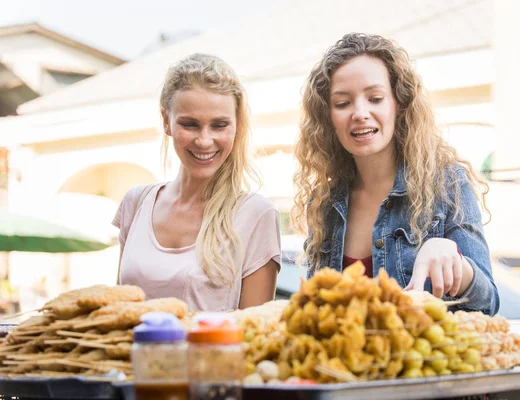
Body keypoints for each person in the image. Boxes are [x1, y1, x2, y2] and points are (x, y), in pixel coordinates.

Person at [292, 33, 499, 315]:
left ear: (398, 105)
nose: (360, 112)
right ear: (328, 117)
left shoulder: (447, 184)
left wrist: (457, 265)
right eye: (342, 103)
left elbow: (488, 305)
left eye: (375, 98)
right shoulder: (325, 202)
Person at [113, 54, 281, 312]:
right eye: (190, 124)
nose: (204, 140)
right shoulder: (135, 203)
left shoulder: (255, 215)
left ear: (237, 126)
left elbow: (254, 336)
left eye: (219, 125)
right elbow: (116, 315)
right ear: (166, 120)